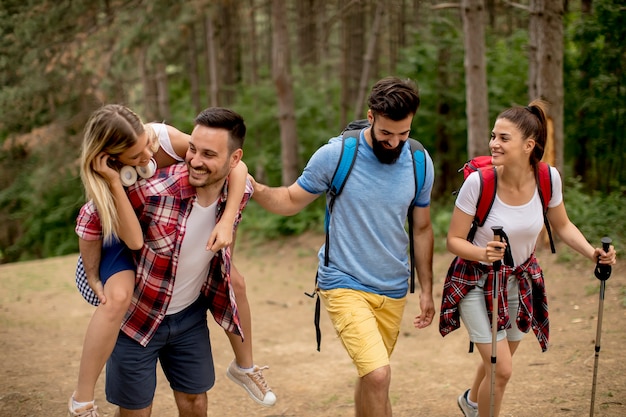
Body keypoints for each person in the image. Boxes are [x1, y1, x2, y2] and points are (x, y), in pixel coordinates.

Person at [69, 105, 275, 417]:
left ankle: (245, 366)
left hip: (184, 312)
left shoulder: (163, 140)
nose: (146, 159)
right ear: (112, 158)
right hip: (121, 247)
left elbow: (238, 167)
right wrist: (94, 274)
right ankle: (82, 401)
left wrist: (227, 218)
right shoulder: (126, 182)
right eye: (136, 157)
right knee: (119, 297)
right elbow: (101, 226)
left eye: (146, 149)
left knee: (236, 281)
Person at [249, 76, 436, 417]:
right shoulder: (337, 155)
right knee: (379, 375)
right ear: (370, 117)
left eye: (403, 134)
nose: (394, 143)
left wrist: (427, 289)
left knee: (371, 378)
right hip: (343, 282)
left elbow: (422, 228)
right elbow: (291, 199)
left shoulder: (420, 162)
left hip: (393, 288)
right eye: (386, 134)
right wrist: (256, 188)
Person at [439, 100, 618, 417]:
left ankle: (472, 404)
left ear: (528, 145)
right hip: (475, 281)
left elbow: (562, 225)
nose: (494, 143)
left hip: (520, 281)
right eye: (494, 136)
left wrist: (593, 253)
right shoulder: (478, 183)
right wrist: (483, 253)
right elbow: (453, 240)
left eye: (504, 138)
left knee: (498, 359)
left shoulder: (548, 180)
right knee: (501, 369)